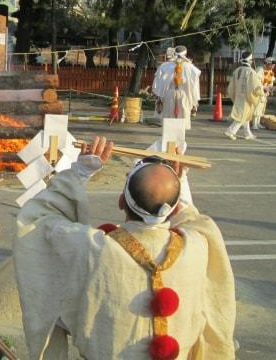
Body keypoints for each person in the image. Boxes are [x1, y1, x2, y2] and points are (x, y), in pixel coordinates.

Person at [14, 136, 236, 360]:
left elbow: (37, 219)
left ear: (122, 202)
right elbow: (191, 219)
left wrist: (80, 172)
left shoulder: (92, 249)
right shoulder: (197, 248)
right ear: (175, 207)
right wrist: (179, 183)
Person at [151, 45, 200, 130]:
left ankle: (169, 140)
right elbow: (194, 87)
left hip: (169, 95)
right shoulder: (191, 68)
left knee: (168, 120)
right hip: (184, 96)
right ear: (186, 54)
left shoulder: (165, 66)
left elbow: (158, 84)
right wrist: (194, 102)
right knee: (181, 121)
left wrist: (159, 98)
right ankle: (179, 141)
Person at [224, 51, 263, 140]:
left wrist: (233, 95)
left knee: (246, 116)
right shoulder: (251, 72)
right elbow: (256, 87)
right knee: (242, 116)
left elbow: (231, 87)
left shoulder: (236, 71)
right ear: (250, 61)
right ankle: (231, 131)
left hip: (238, 96)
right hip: (247, 97)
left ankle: (247, 133)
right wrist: (261, 92)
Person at [252, 57, 276, 130]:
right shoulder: (260, 70)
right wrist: (264, 87)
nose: (273, 66)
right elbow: (256, 82)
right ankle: (254, 124)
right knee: (256, 107)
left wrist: (271, 88)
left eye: (274, 65)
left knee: (261, 108)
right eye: (272, 65)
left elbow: (270, 82)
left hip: (264, 93)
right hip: (258, 92)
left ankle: (258, 123)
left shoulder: (270, 72)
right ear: (267, 64)